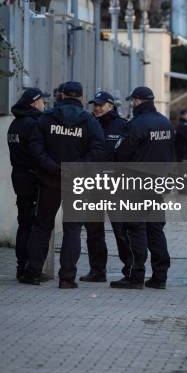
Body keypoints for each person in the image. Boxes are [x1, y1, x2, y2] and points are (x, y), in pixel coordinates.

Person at [23, 81, 106, 288]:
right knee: (73, 229)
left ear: (61, 95)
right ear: (80, 97)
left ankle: (32, 273)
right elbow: (98, 149)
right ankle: (67, 278)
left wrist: (52, 167)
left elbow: (35, 146)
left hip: (49, 180)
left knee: (42, 226)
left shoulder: (46, 118)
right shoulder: (89, 120)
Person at [113, 86, 174, 290]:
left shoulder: (137, 125)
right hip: (157, 184)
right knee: (156, 229)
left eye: (133, 101)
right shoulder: (165, 123)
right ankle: (160, 276)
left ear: (138, 101)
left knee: (135, 229)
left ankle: (136, 276)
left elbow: (121, 153)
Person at [79, 90, 129, 283]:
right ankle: (97, 270)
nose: (97, 108)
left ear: (111, 105)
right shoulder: (88, 124)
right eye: (95, 105)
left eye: (101, 105)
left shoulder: (123, 126)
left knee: (121, 230)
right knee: (93, 231)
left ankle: (130, 270)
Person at [7, 87, 50, 282]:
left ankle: (20, 267)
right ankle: (29, 270)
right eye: (42, 101)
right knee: (33, 225)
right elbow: (37, 153)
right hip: (32, 178)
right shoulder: (33, 124)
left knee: (23, 223)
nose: (44, 104)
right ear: (34, 103)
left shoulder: (15, 124)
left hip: (18, 176)